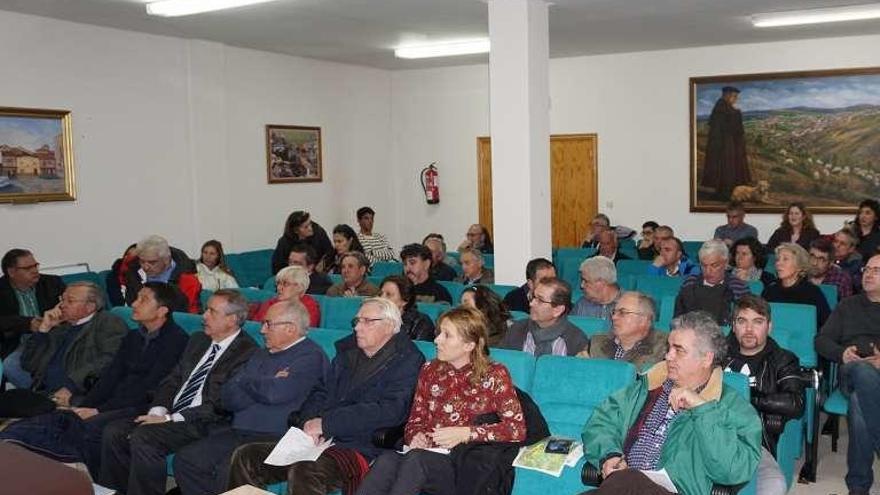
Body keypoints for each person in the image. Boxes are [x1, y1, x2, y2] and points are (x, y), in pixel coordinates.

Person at [226, 298, 425, 495]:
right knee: (246, 456)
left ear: (390, 326)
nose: (358, 328)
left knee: (305, 470)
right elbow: (320, 392)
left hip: (361, 445)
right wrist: (308, 423)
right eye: (357, 321)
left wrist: (327, 423)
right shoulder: (348, 354)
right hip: (319, 441)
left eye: (367, 321)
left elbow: (390, 410)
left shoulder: (407, 360)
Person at [0, 283, 189, 478]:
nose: (133, 303)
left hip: (141, 405)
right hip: (107, 400)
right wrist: (87, 407)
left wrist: (97, 409)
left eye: (143, 299)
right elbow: (111, 376)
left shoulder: (175, 341)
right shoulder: (135, 336)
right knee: (55, 421)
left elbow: (147, 387)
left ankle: (100, 485)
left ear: (162, 310)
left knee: (86, 428)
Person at [581, 311, 762, 495]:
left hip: (675, 491)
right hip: (624, 486)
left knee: (629, 479)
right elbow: (601, 423)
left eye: (679, 350)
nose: (668, 356)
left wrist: (702, 409)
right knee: (626, 480)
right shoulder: (646, 387)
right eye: (669, 348)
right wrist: (609, 455)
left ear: (706, 358)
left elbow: (733, 470)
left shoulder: (733, 408)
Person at [100, 290, 258, 495]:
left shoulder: (247, 353)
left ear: (232, 319)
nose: (204, 316)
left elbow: (220, 405)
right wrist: (158, 411)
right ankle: (117, 491)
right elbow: (172, 379)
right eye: (205, 309)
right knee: (113, 432)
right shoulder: (198, 340)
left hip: (205, 421)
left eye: (212, 311)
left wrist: (170, 418)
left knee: (144, 436)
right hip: (172, 412)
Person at [355, 307, 526, 495]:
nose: (436, 340)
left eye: (447, 335)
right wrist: (416, 436)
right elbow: (415, 419)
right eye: (439, 333)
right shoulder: (430, 369)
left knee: (417, 461)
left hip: (466, 463)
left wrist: (466, 433)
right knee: (387, 460)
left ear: (469, 345)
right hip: (428, 456)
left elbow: (516, 429)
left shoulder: (494, 374)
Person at [173, 300, 329, 495]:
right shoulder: (261, 354)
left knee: (227, 468)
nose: (262, 330)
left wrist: (248, 382)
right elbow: (228, 397)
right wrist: (266, 381)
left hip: (275, 435)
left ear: (290, 328)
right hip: (239, 429)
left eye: (268, 324)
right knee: (187, 459)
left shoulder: (310, 356)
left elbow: (274, 394)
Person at [814, 253, 880, 495]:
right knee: (863, 371)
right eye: (867, 269)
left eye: (876, 270)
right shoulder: (847, 306)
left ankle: (858, 487)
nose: (869, 274)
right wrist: (842, 353)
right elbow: (821, 340)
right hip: (852, 370)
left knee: (858, 403)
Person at [724, 295, 804, 495]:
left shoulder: (783, 360)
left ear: (769, 327)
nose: (749, 329)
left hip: (754, 442)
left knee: (774, 486)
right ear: (733, 326)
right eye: (742, 321)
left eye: (757, 322)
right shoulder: (716, 355)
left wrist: (749, 397)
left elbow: (795, 402)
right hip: (711, 433)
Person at [13, 282, 127, 412]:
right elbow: (28, 364)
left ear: (90, 306)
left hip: (78, 395)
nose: (62, 305)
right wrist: (44, 330)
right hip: (45, 394)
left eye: (70, 301)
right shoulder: (60, 327)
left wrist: (71, 386)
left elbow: (109, 359)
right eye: (62, 299)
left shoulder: (108, 322)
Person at [1, 248, 65, 387]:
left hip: (54, 337)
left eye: (35, 265)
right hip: (21, 342)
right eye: (28, 268)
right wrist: (28, 323)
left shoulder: (52, 282)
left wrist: (60, 312)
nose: (35, 270)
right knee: (10, 365)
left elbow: (69, 307)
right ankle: (42, 396)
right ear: (11, 272)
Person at [576, 291, 667, 371]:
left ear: (644, 320)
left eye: (622, 313)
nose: (614, 317)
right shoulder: (596, 342)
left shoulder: (664, 349)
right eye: (614, 312)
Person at [498, 277, 588, 356]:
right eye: (533, 297)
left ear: (557, 310)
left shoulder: (576, 340)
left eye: (540, 300)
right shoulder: (516, 330)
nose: (531, 303)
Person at [674, 240, 749, 326]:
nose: (708, 271)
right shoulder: (690, 283)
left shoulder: (738, 287)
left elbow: (743, 321)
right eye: (704, 265)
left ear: (726, 262)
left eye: (714, 265)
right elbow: (678, 318)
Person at [124, 235, 201, 313]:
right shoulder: (133, 273)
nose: (146, 267)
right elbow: (130, 304)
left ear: (166, 260)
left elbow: (188, 315)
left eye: (152, 262)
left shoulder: (187, 279)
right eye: (142, 261)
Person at [762, 243, 831, 328]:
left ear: (799, 266)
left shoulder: (813, 293)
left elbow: (827, 326)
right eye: (778, 259)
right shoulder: (769, 291)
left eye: (785, 259)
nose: (778, 263)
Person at [701, 86, 752, 201]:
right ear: (727, 95)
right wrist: (737, 113)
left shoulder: (722, 107)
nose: (735, 99)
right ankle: (725, 192)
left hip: (726, 144)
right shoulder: (722, 108)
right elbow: (730, 127)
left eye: (736, 97)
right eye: (734, 96)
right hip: (724, 146)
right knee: (726, 167)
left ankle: (726, 191)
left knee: (728, 167)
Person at [251, 265, 321, 327]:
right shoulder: (271, 302)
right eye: (278, 283)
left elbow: (302, 331)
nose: (279, 288)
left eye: (285, 284)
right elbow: (255, 326)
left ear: (300, 287)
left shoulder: (309, 305)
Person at [271, 211, 333, 275]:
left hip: (317, 273)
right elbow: (277, 267)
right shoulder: (284, 243)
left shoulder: (319, 233)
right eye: (306, 227)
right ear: (296, 230)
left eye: (310, 224)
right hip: (293, 275)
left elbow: (330, 252)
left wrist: (324, 263)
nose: (310, 228)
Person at [380, 275, 435, 341]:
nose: (381, 298)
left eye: (388, 294)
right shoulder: (373, 318)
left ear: (405, 300)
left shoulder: (421, 323)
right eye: (380, 294)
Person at [808, 238, 853, 302]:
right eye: (812, 256)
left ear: (831, 263)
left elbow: (846, 308)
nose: (814, 263)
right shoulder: (800, 274)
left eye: (821, 259)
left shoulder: (841, 278)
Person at [833, 228, 865, 294]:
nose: (837, 246)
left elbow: (857, 288)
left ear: (851, 249)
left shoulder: (857, 265)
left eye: (842, 244)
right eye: (836, 241)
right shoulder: (826, 259)